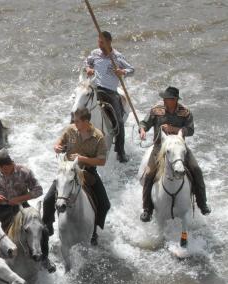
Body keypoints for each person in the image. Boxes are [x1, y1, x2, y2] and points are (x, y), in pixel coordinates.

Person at [138, 86, 210, 222]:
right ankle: (147, 209)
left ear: (175, 100)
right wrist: (142, 129)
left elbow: (190, 129)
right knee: (148, 174)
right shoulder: (156, 109)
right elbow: (144, 122)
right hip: (160, 148)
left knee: (196, 170)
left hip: (179, 147)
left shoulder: (185, 112)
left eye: (167, 98)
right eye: (164, 98)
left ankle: (202, 203)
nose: (164, 100)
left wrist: (173, 129)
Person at [42, 108, 111, 245]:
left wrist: (82, 159)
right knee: (47, 200)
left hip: (87, 172)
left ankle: (94, 230)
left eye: (77, 121)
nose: (74, 122)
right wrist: (57, 147)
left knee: (105, 204)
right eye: (74, 120)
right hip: (67, 172)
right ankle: (47, 226)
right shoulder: (70, 130)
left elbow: (102, 161)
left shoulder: (98, 136)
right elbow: (58, 143)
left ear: (86, 121)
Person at [0, 149, 55, 272]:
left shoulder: (24, 172)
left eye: (1, 168)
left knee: (41, 229)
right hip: (3, 207)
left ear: (8, 165)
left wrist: (19, 199)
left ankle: (45, 258)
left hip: (22, 206)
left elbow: (38, 190)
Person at [85, 31, 135, 163]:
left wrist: (122, 71)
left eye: (102, 42)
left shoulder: (117, 57)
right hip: (94, 88)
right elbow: (88, 62)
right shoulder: (95, 53)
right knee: (78, 107)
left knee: (118, 121)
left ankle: (120, 152)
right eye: (99, 42)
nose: (99, 44)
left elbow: (132, 70)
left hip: (109, 92)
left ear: (109, 42)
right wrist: (88, 69)